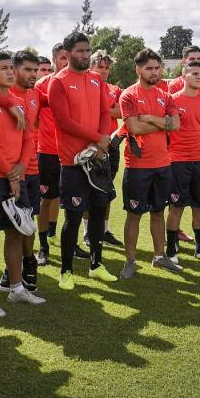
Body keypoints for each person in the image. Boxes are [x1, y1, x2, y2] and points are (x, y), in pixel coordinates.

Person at [0, 51, 45, 306]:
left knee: (16, 233)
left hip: (17, 176)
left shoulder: (18, 102)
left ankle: (16, 288)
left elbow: (28, 139)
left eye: (11, 67)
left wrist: (21, 169)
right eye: (4, 68)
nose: (11, 72)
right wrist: (10, 173)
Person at [47, 32, 117, 288]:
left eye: (87, 50)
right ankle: (66, 271)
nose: (85, 55)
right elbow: (64, 122)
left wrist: (102, 141)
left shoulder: (96, 80)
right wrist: (97, 138)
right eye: (79, 51)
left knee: (99, 212)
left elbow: (104, 113)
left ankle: (96, 265)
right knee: (74, 216)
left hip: (97, 157)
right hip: (73, 162)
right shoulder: (58, 82)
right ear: (66, 54)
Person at [119, 49, 180, 278]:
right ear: (138, 69)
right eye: (149, 68)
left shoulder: (165, 95)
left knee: (158, 212)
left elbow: (175, 124)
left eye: (157, 68)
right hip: (137, 166)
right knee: (134, 214)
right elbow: (133, 128)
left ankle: (159, 257)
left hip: (163, 163)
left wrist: (151, 119)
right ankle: (130, 261)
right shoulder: (129, 95)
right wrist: (163, 123)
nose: (154, 72)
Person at [0, 51, 44, 298]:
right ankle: (16, 270)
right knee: (10, 226)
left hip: (32, 168)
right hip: (8, 171)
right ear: (14, 70)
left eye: (36, 70)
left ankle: (25, 265)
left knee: (28, 221)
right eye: (27, 70)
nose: (33, 75)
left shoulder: (36, 94)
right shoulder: (4, 94)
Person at [165, 60, 200, 264]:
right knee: (176, 207)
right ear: (183, 75)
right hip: (177, 160)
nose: (199, 76)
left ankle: (199, 249)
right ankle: (171, 250)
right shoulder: (173, 100)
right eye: (194, 73)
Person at [35, 43, 69, 266]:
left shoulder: (76, 83)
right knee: (46, 199)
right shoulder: (41, 85)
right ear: (55, 58)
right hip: (47, 151)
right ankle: (43, 247)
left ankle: (59, 236)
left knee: (66, 199)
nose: (66, 63)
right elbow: (35, 118)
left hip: (71, 152)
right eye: (62, 58)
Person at [86, 49, 122, 250]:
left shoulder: (113, 89)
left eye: (107, 67)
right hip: (89, 144)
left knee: (107, 189)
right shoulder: (85, 87)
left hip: (110, 144)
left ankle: (104, 230)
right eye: (100, 66)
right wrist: (106, 109)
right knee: (88, 191)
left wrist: (101, 109)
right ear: (91, 66)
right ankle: (86, 233)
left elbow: (120, 111)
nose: (104, 70)